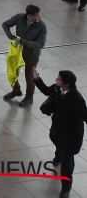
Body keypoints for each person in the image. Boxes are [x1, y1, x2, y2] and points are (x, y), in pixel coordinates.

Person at [34, 70, 87, 198]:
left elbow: (85, 116)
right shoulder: (57, 88)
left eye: (58, 79)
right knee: (58, 144)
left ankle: (66, 189)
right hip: (58, 130)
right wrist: (37, 79)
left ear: (66, 83)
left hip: (71, 135)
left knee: (67, 163)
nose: (56, 80)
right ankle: (58, 156)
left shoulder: (77, 99)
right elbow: (46, 91)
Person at [2, 5, 47, 107]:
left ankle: (29, 97)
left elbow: (40, 44)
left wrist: (23, 41)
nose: (38, 17)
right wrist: (10, 36)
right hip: (17, 51)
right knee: (12, 72)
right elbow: (5, 24)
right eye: (36, 15)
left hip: (32, 55)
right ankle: (16, 90)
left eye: (38, 14)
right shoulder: (19, 18)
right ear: (29, 15)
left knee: (29, 76)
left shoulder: (41, 26)